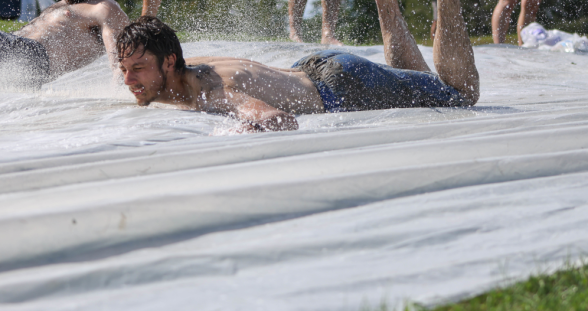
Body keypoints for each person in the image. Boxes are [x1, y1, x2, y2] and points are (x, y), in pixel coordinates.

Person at [117, 0, 479, 133]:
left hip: (339, 87)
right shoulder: (184, 67)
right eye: (125, 70)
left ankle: (448, 6)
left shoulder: (213, 92)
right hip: (311, 69)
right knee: (425, 85)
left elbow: (279, 120)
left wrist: (234, 132)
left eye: (139, 68)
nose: (129, 79)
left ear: (168, 62)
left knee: (462, 95)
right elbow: (158, 35)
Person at [1, 0, 129, 89]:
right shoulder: (63, 4)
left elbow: (120, 66)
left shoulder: (106, 8)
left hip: (31, 58)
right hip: (14, 51)